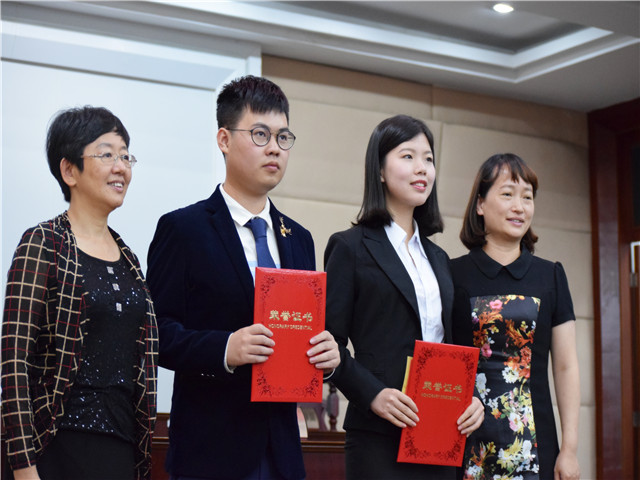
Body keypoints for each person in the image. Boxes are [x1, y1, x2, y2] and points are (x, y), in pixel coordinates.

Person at [146, 75, 340, 480]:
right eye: (260, 134)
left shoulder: (299, 238)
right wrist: (225, 348)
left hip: (282, 451)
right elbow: (156, 334)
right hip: (211, 451)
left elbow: (300, 332)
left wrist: (325, 356)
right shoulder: (184, 229)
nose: (275, 148)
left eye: (283, 137)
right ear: (224, 139)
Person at [1, 106, 158, 480]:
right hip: (55, 448)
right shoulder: (43, 242)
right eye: (107, 155)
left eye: (126, 156)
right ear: (69, 170)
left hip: (120, 449)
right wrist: (24, 469)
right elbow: (14, 362)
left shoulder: (130, 259)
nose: (121, 167)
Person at [324, 114, 484, 480]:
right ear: (380, 170)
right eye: (408, 156)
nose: (422, 168)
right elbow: (328, 346)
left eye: (428, 158)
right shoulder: (350, 247)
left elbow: (455, 346)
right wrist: (373, 394)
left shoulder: (440, 259)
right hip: (377, 434)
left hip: (441, 432)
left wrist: (472, 397)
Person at [451, 153, 580, 480]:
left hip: (536, 445)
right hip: (465, 440)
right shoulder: (451, 274)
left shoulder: (551, 276)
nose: (519, 207)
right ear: (480, 204)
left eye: (527, 197)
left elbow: (566, 366)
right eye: (507, 194)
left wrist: (570, 449)